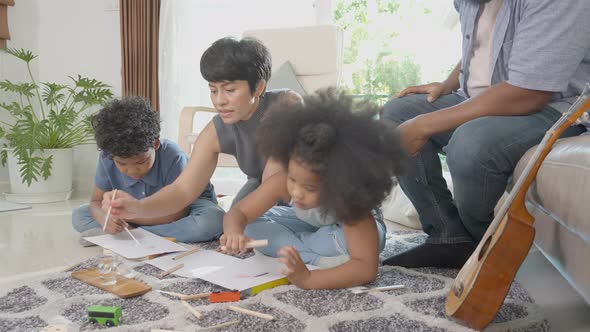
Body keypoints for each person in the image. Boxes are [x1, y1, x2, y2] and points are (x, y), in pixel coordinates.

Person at [381, 0, 590, 268]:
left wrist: (423, 125)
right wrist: (449, 82)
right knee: (397, 113)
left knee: (471, 144)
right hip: (481, 98)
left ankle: (484, 247)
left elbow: (530, 92)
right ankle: (448, 237)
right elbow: (484, 40)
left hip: (552, 107)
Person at [103, 37, 302, 226]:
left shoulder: (286, 104)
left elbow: (274, 178)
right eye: (213, 90)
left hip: (304, 184)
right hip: (259, 183)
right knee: (234, 224)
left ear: (258, 87)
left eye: (230, 90)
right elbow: (182, 190)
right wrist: (138, 208)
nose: (219, 101)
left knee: (248, 223)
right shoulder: (215, 131)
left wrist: (241, 217)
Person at [220, 89, 407, 289]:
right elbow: (239, 212)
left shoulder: (352, 202)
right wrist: (233, 232)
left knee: (345, 243)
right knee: (250, 226)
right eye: (293, 179)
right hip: (311, 229)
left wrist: (308, 279)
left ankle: (312, 258)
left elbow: (366, 269)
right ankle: (314, 254)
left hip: (345, 235)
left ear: (338, 181)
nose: (297, 192)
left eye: (309, 187)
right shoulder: (284, 181)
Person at [72, 96, 224, 244]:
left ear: (156, 144)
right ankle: (141, 234)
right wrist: (105, 219)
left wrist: (129, 216)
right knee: (79, 216)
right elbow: (96, 201)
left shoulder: (173, 156)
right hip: (137, 211)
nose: (132, 171)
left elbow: (177, 213)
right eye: (122, 164)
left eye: (141, 161)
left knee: (211, 221)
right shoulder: (107, 156)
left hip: (184, 207)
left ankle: (132, 235)